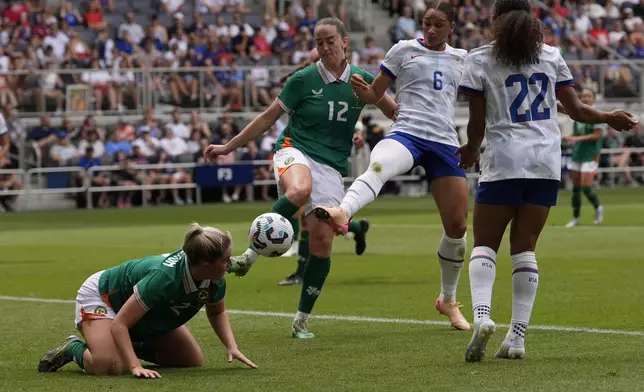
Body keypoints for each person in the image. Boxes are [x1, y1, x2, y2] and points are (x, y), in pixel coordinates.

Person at [456, 0, 637, 362]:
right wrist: (608, 117)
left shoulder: (479, 59)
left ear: (495, 21)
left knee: (485, 244)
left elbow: (477, 123)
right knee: (525, 248)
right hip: (545, 160)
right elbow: (578, 110)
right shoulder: (551, 55)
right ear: (531, 21)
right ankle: (518, 337)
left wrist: (472, 148)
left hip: (505, 159)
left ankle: (482, 317)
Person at [204, 17, 397, 339]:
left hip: (332, 165)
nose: (324, 47)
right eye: (319, 42)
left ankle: (300, 321)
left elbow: (395, 112)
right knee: (299, 189)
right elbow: (268, 118)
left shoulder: (362, 80)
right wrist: (228, 147)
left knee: (322, 243)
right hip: (295, 149)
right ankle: (250, 256)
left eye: (330, 40)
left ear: (344, 41)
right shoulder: (302, 80)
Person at [313, 1, 471, 331]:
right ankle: (344, 210)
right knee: (381, 164)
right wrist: (363, 91)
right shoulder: (403, 50)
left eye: (438, 24)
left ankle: (448, 300)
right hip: (408, 132)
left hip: (444, 141)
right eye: (427, 22)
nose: (430, 29)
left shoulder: (462, 59)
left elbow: (485, 98)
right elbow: (375, 95)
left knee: (457, 228)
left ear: (450, 28)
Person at [38, 223, 257, 378]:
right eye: (226, 259)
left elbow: (216, 312)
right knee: (109, 366)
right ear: (206, 265)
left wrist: (232, 346)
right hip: (104, 297)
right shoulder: (164, 279)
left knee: (191, 360)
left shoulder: (215, 277)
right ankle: (72, 348)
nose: (231, 263)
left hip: (142, 311)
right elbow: (120, 324)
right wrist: (134, 366)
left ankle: (124, 345)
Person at [562, 89, 605, 227]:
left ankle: (598, 207)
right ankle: (576, 218)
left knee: (586, 187)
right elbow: (578, 131)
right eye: (583, 96)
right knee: (575, 188)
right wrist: (569, 137)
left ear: (593, 99)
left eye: (589, 96)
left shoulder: (597, 116)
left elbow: (597, 135)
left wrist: (575, 138)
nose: (586, 98)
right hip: (578, 154)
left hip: (591, 155)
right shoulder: (578, 114)